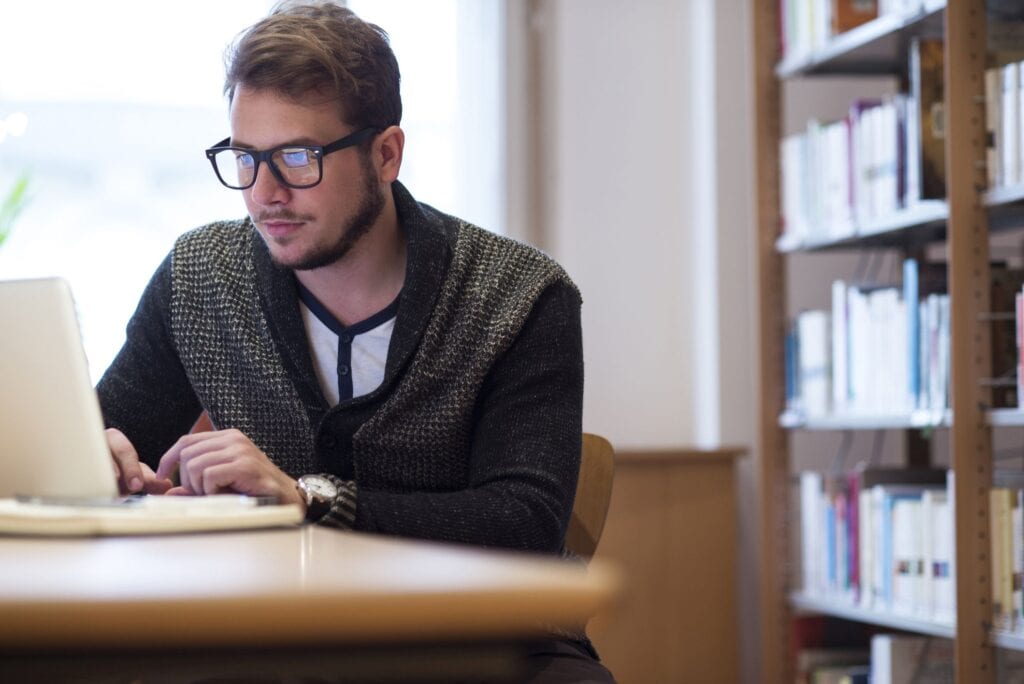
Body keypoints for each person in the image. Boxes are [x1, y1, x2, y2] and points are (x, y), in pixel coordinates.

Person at [96, 2, 614, 681]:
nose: (265, 194)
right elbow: (108, 433)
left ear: (386, 153)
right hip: (269, 629)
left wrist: (309, 497)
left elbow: (522, 522)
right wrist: (98, 457)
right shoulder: (200, 278)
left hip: (483, 632)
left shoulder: (519, 295)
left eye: (297, 157)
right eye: (245, 158)